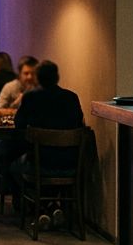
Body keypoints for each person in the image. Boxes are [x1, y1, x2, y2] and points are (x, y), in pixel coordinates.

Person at [6, 60, 84, 229]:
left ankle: (41, 207)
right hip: (70, 162)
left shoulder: (31, 98)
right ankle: (53, 207)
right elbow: (79, 123)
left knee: (12, 166)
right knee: (41, 164)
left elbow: (19, 125)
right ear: (57, 77)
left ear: (38, 78)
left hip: (39, 162)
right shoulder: (71, 97)